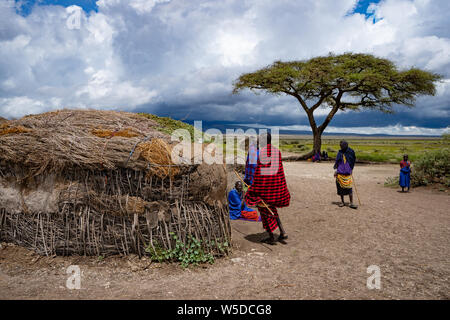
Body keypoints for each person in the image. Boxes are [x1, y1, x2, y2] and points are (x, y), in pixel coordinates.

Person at [245, 132, 291, 245]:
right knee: (272, 209)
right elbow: (280, 172)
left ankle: (271, 236)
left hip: (266, 190)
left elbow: (260, 175)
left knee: (264, 210)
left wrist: (253, 188)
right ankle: (282, 232)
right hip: (277, 188)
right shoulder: (277, 152)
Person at [334, 140, 357, 209]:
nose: (341, 147)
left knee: (349, 188)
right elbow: (337, 162)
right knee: (340, 188)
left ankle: (351, 203)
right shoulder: (340, 152)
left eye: (342, 146)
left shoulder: (351, 152)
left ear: (346, 145)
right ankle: (342, 202)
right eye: (340, 146)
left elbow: (353, 161)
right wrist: (336, 171)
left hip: (347, 172)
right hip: (340, 173)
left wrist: (351, 169)